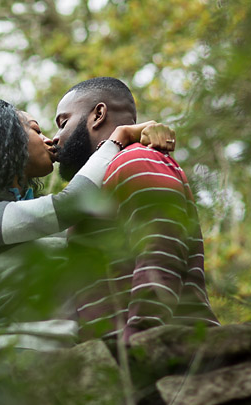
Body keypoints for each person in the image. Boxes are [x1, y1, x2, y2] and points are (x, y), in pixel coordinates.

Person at [0, 98, 175, 351]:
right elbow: (70, 205)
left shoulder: (35, 216)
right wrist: (118, 138)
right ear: (1, 137)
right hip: (13, 363)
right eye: (36, 130)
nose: (50, 140)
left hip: (74, 363)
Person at [51, 77, 219, 345]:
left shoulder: (135, 159)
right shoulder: (96, 187)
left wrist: (140, 340)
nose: (55, 137)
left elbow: (161, 250)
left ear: (98, 114)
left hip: (170, 359)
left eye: (63, 122)